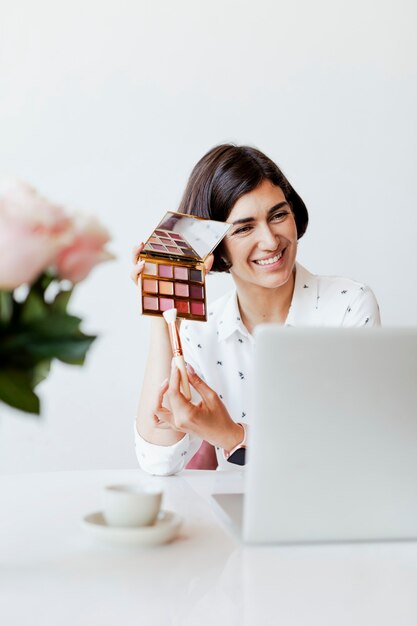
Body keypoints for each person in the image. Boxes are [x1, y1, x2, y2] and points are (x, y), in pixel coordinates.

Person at [132, 144, 380, 475]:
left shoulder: (348, 304)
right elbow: (158, 461)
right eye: (244, 227)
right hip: (235, 519)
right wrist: (163, 314)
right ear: (217, 248)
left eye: (278, 215)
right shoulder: (199, 332)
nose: (270, 240)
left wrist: (231, 435)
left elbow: (356, 450)